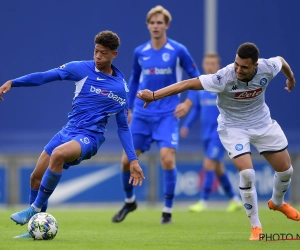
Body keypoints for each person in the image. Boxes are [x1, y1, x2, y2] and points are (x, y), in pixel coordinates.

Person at [136, 42, 298, 240]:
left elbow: (281, 61)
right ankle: (256, 226)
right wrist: (154, 95)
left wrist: (290, 79)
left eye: (244, 67)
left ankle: (278, 203)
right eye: (236, 64)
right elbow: (187, 83)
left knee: (286, 171)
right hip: (233, 127)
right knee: (247, 173)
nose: (238, 69)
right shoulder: (223, 77)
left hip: (263, 123)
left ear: (255, 66)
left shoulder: (267, 67)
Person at [0, 30, 145, 238]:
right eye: (96, 51)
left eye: (103, 53)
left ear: (114, 54)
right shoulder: (80, 68)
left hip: (91, 137)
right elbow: (45, 76)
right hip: (68, 130)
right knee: (35, 178)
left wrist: (132, 159)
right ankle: (36, 230)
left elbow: (123, 127)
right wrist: (13, 82)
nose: (98, 56)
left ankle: (34, 209)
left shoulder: (120, 88)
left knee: (58, 154)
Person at [111, 5, 200, 224]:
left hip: (167, 115)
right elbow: (134, 80)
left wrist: (188, 102)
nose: (156, 26)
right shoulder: (140, 52)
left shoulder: (178, 50)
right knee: (125, 161)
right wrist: (128, 108)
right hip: (142, 115)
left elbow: (197, 78)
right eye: (152, 22)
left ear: (167, 25)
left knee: (167, 159)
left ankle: (167, 211)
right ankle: (130, 201)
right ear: (148, 25)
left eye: (160, 22)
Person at [180, 53, 242, 212]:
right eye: (207, 63)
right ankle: (234, 199)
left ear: (218, 65)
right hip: (206, 134)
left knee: (208, 163)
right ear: (203, 64)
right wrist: (186, 125)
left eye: (213, 63)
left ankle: (203, 201)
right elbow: (196, 109)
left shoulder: (223, 84)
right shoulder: (201, 86)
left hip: (220, 133)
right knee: (217, 166)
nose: (210, 66)